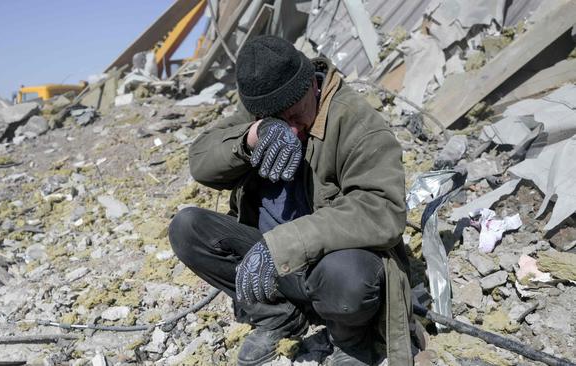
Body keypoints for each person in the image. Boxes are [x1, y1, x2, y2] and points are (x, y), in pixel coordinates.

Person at [169, 35, 413, 366]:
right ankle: (279, 316)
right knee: (187, 228)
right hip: (275, 263)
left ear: (311, 87)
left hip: (327, 264)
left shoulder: (356, 121)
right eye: (279, 121)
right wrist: (252, 136)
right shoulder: (263, 108)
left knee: (348, 277)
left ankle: (351, 339)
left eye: (298, 116)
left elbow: (383, 211)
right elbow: (200, 161)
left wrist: (283, 244)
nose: (293, 130)